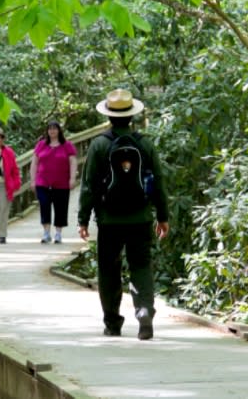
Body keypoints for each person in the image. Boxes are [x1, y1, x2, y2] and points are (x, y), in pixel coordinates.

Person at [78, 89, 170, 341]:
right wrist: (163, 216)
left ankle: (112, 323)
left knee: (109, 270)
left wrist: (82, 220)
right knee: (141, 267)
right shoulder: (145, 144)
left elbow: (89, 186)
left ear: (109, 117)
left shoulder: (99, 145)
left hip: (109, 220)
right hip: (141, 218)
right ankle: (144, 315)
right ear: (132, 117)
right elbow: (158, 183)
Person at [30, 121, 77, 244]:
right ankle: (46, 233)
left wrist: (72, 178)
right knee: (44, 205)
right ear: (47, 131)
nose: (52, 131)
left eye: (54, 129)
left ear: (59, 131)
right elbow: (34, 163)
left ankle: (58, 233)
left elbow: (73, 162)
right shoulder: (41, 145)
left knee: (60, 208)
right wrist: (32, 180)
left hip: (61, 183)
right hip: (42, 182)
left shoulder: (67, 145)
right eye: (50, 129)